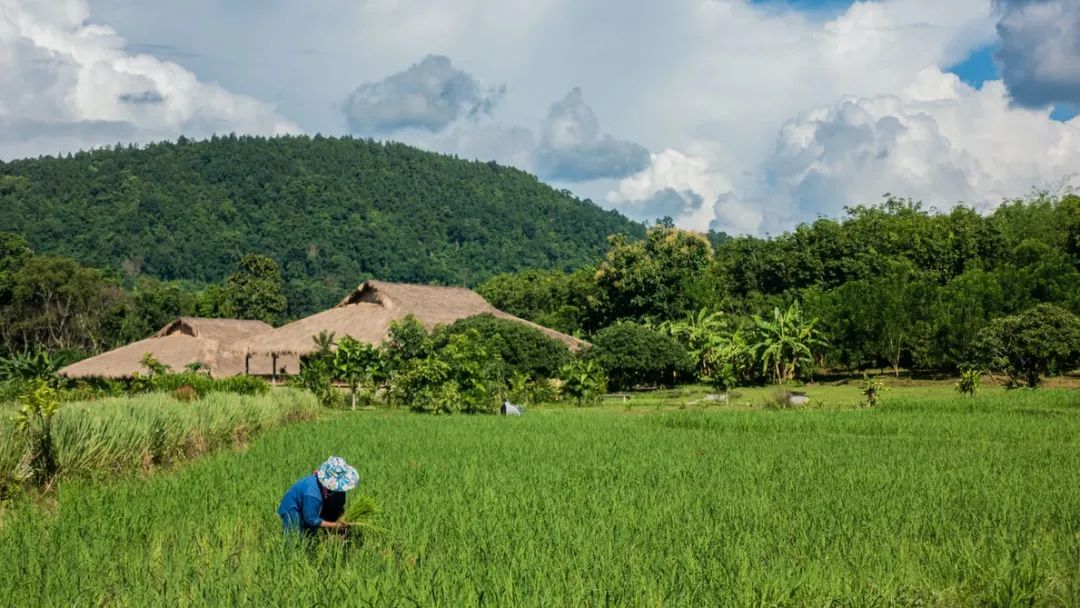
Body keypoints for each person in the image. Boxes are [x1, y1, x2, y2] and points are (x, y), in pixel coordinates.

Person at [277, 456, 359, 536]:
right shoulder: (312, 494)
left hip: (313, 505)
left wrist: (342, 519)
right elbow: (311, 519)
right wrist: (335, 526)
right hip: (292, 507)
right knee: (295, 538)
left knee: (311, 534)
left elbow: (339, 506)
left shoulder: (338, 491)